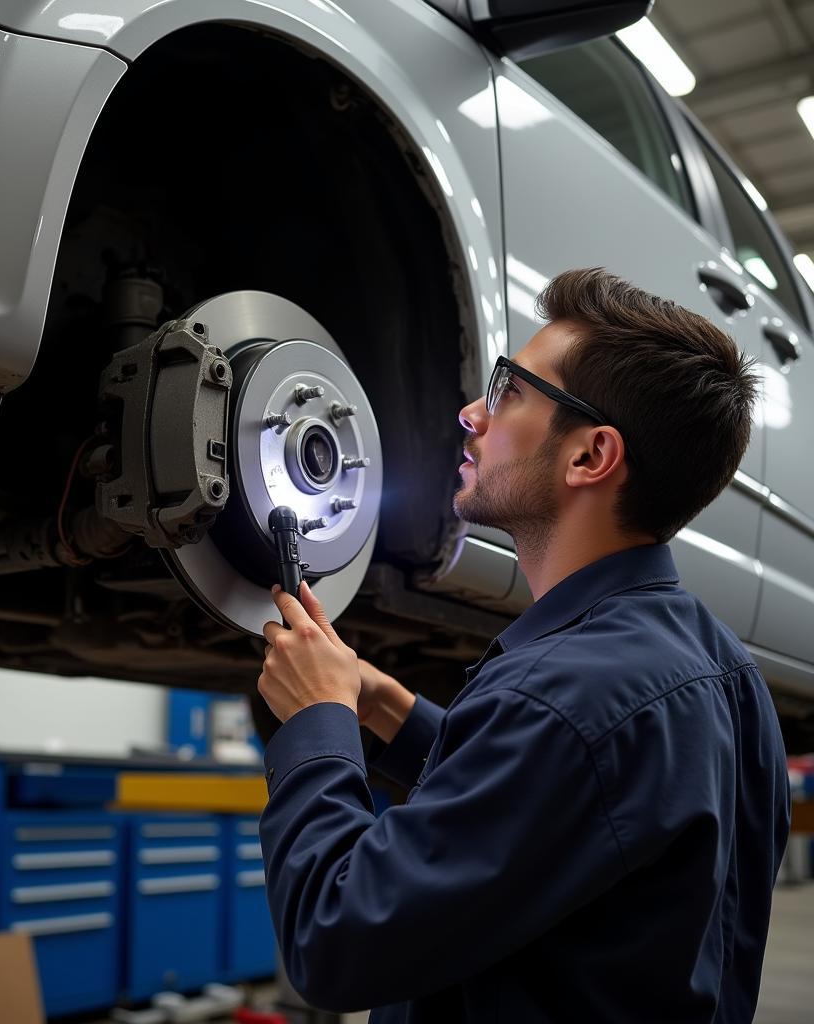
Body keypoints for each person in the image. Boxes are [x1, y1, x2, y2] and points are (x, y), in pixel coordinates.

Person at [254, 268, 791, 1023]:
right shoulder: (720, 670)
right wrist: (390, 709)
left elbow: (336, 938)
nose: (471, 413)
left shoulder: (566, 698)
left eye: (508, 391)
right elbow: (582, 801)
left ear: (590, 456)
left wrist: (319, 722)